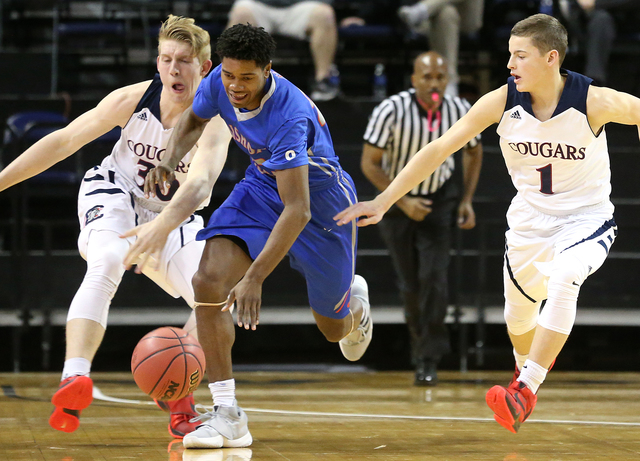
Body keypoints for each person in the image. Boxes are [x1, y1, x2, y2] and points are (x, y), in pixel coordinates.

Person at [336, 13, 640, 433]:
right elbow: (441, 147)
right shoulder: (501, 101)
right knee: (518, 321)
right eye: (509, 55)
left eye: (520, 56)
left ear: (551, 58)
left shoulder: (593, 100)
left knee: (566, 276)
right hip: (529, 221)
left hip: (585, 217)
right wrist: (386, 200)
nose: (510, 64)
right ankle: (523, 378)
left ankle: (526, 387)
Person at [121, 23, 372, 449]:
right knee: (208, 281)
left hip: (322, 205)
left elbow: (298, 210)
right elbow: (193, 120)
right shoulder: (220, 81)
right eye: (230, 75)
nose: (236, 86)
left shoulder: (288, 116)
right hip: (261, 187)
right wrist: (168, 159)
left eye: (247, 78)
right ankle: (227, 413)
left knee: (332, 330)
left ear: (267, 71)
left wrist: (254, 276)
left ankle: (355, 310)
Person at [0, 15, 225, 439]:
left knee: (215, 296)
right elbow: (65, 140)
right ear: (157, 63)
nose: (173, 69)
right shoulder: (133, 98)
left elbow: (199, 184)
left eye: (184, 61)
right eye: (165, 59)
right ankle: (74, 376)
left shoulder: (215, 122)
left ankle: (181, 394)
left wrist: (160, 229)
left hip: (170, 214)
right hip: (114, 194)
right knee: (107, 260)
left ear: (204, 68)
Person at [361, 51, 482, 386]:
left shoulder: (460, 110)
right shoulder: (391, 110)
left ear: (448, 80)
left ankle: (428, 357)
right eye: (426, 77)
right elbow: (369, 162)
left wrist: (466, 199)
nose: (434, 84)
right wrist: (403, 201)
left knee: (434, 278)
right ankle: (419, 347)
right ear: (414, 80)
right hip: (396, 203)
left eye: (440, 78)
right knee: (411, 283)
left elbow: (474, 150)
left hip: (440, 200)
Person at [227, 0, 340, 101]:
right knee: (240, 14)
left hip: (301, 5)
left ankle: (323, 79)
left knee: (324, 14)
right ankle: (234, 80)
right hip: (259, 5)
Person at [398, 0, 485, 96]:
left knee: (446, 13)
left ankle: (423, 9)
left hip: (467, 16)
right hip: (431, 20)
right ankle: (449, 81)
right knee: (447, 13)